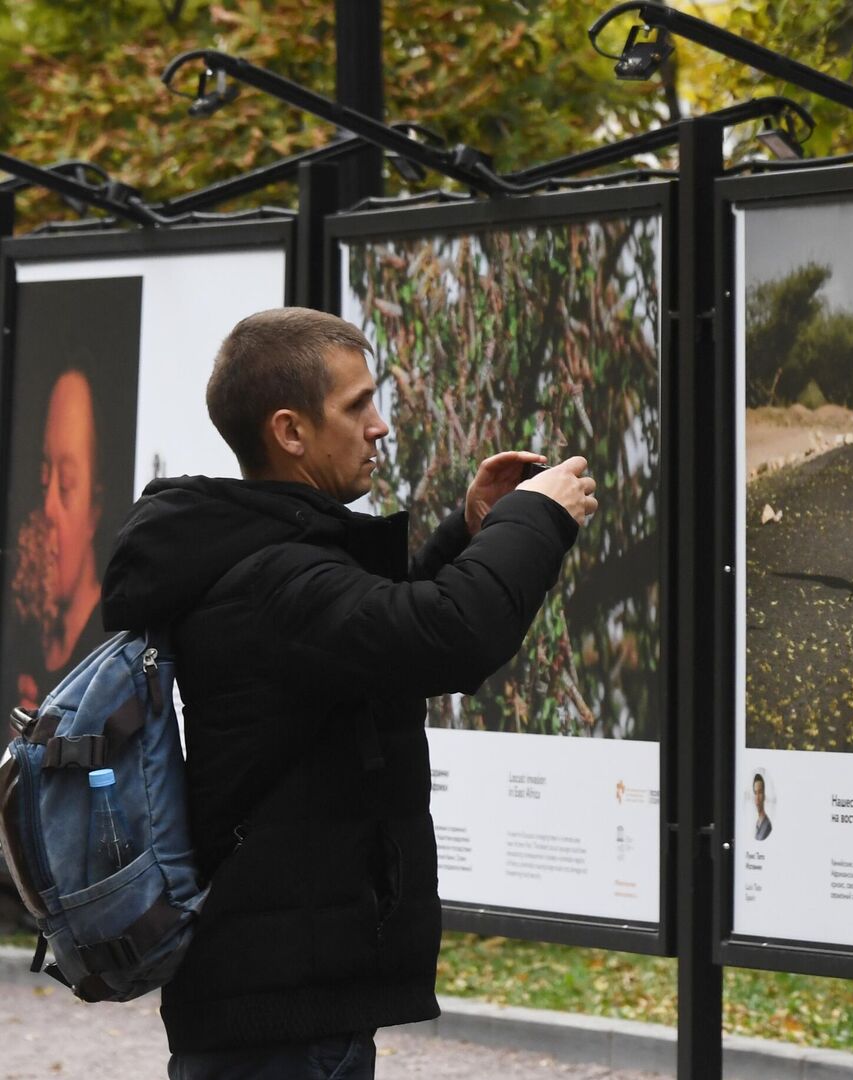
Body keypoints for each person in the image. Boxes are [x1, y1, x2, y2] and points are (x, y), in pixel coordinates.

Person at [99, 308, 597, 1079]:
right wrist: (538, 517)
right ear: (290, 431)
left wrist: (470, 533)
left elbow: (376, 650)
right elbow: (448, 635)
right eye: (358, 405)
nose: (380, 426)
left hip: (270, 993)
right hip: (283, 1015)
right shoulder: (276, 577)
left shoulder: (263, 557)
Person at [8, 369, 106, 710]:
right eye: (43, 477)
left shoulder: (109, 651)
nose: (48, 508)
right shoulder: (27, 627)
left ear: (96, 509)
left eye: (64, 485)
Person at [752, 773, 773, 841]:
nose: (757, 797)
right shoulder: (757, 823)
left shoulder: (767, 825)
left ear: (764, 795)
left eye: (760, 792)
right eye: (755, 793)